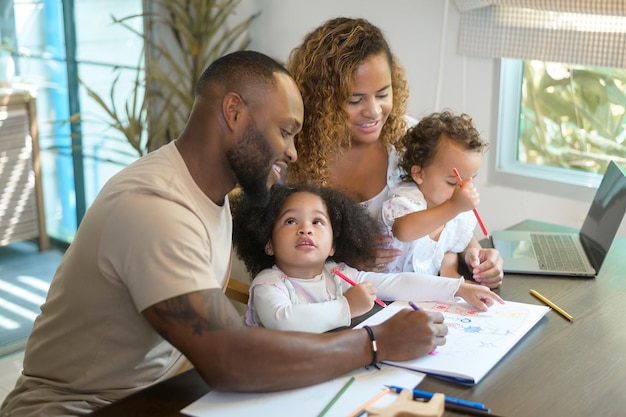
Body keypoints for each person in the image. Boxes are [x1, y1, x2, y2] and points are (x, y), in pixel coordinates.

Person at [0, 51, 450, 417]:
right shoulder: (153, 208)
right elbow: (228, 360)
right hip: (78, 409)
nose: (293, 152)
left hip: (164, 393)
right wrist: (375, 343)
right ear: (233, 112)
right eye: (286, 132)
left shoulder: (214, 196)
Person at [286, 17, 504, 287]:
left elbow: (445, 210)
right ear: (321, 99)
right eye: (355, 100)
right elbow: (278, 250)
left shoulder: (410, 139)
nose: (374, 112)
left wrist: (475, 253)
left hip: (405, 297)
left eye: (382, 94)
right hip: (334, 299)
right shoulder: (295, 155)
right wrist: (342, 257)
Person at [232, 183, 504, 333]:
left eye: (317, 222)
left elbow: (397, 283)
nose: (305, 228)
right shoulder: (268, 284)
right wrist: (346, 307)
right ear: (268, 243)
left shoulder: (336, 274)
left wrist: (458, 287)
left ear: (332, 246)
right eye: (291, 221)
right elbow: (283, 320)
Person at [381, 110, 493, 280]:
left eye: (469, 181)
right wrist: (453, 207)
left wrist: (457, 267)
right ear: (419, 174)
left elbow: (449, 243)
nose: (462, 190)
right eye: (452, 182)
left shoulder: (453, 207)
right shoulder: (407, 200)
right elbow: (404, 231)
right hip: (387, 294)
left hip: (425, 294)